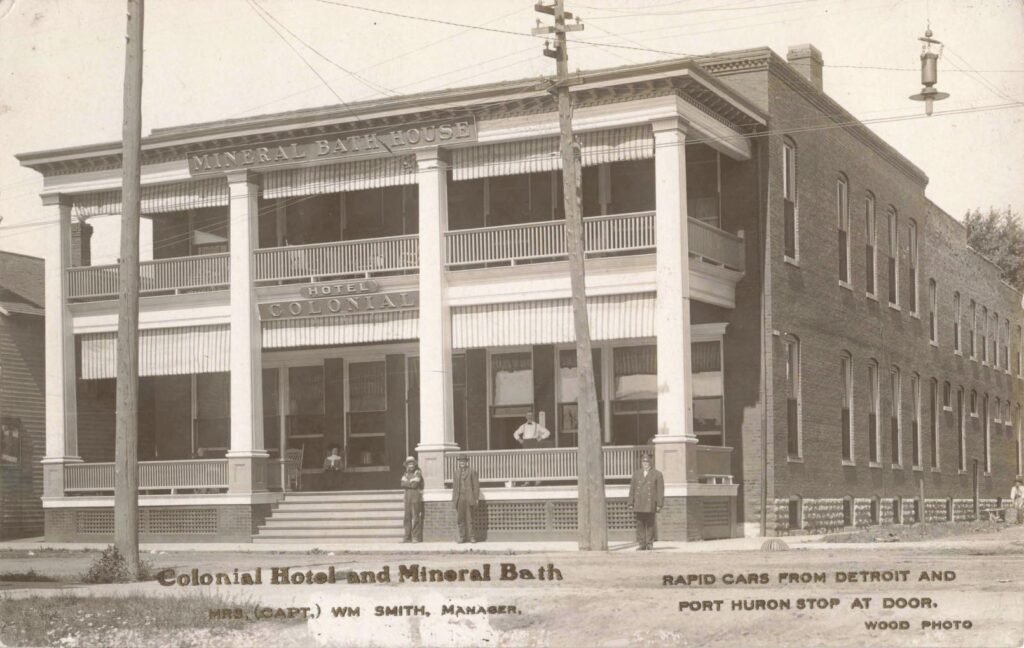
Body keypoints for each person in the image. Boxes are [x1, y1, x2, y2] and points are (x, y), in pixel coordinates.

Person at [628, 453, 664, 551]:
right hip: (639, 502)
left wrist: (659, 504)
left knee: (650, 524)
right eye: (643, 461)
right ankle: (642, 544)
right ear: (641, 463)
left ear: (650, 462)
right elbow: (632, 489)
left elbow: (660, 491)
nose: (645, 463)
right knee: (640, 524)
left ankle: (649, 543)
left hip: (650, 503)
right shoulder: (636, 474)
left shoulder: (657, 474)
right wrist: (630, 502)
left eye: (647, 461)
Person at [513, 412, 551, 486]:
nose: (529, 417)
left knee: (536, 463)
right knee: (526, 464)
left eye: (531, 416)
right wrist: (520, 440)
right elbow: (515, 433)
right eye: (528, 416)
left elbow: (547, 432)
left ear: (533, 417)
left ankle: (538, 481)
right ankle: (527, 481)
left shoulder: (537, 426)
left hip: (535, 444)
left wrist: (541, 438)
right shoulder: (523, 426)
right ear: (526, 417)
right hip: (526, 445)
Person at [452, 455, 481, 543]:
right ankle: (462, 537)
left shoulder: (472, 472)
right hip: (459, 498)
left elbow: (476, 486)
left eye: (463, 461)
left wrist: (476, 498)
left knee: (470, 518)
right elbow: (455, 487)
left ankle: (472, 537)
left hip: (469, 497)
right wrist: (454, 500)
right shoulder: (456, 473)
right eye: (460, 461)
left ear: (466, 462)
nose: (462, 463)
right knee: (460, 519)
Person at [400, 456, 424, 542]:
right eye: (409, 464)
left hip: (415, 497)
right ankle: (407, 537)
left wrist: (407, 483)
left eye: (412, 463)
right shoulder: (405, 474)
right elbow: (402, 484)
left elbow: (415, 485)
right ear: (406, 465)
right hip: (407, 498)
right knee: (407, 518)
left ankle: (415, 537)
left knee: (415, 517)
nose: (411, 466)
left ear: (415, 464)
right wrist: (410, 483)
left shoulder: (418, 472)